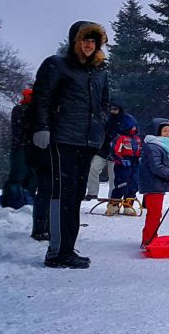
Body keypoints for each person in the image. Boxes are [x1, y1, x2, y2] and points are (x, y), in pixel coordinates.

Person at [30, 21, 112, 269]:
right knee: (62, 192)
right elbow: (41, 97)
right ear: (75, 42)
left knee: (76, 194)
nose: (89, 45)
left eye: (93, 41)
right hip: (63, 138)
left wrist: (101, 130)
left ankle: (66, 247)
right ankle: (56, 251)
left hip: (87, 140)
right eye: (85, 40)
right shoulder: (57, 65)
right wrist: (42, 127)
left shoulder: (100, 71)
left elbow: (104, 105)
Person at [139, 119, 169, 248]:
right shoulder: (154, 147)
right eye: (164, 131)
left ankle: (151, 237)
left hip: (156, 184)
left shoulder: (161, 146)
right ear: (157, 131)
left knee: (155, 213)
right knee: (154, 214)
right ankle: (148, 240)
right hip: (153, 184)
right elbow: (156, 167)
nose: (168, 134)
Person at [0, 88, 37, 211]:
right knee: (18, 174)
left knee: (33, 175)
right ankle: (13, 201)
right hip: (21, 146)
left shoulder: (36, 111)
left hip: (33, 148)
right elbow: (23, 127)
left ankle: (27, 200)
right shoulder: (19, 110)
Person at [107, 113, 142, 216]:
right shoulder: (120, 138)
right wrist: (121, 160)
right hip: (123, 164)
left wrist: (141, 157)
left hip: (134, 163)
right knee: (121, 183)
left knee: (134, 184)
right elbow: (114, 151)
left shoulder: (137, 139)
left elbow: (141, 150)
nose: (133, 128)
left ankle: (128, 205)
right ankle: (114, 205)